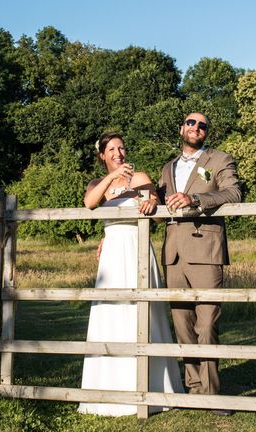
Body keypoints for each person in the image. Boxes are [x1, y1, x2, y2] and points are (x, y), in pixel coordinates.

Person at [78, 132, 184, 416]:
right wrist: (112, 178)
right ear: (102, 155)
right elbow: (90, 203)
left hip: (138, 248)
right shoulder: (97, 183)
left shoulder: (140, 178)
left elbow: (157, 210)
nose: (118, 152)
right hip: (112, 253)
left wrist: (151, 203)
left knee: (144, 314)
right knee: (112, 314)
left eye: (122, 147)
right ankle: (108, 390)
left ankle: (153, 388)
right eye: (111, 149)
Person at [157, 112, 241, 415]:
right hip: (173, 254)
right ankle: (193, 389)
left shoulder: (220, 160)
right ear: (182, 128)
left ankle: (211, 394)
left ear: (206, 132)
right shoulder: (167, 167)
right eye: (191, 123)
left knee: (207, 324)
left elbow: (234, 193)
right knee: (182, 326)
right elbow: (154, 200)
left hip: (206, 251)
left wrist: (194, 198)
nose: (196, 128)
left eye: (202, 125)